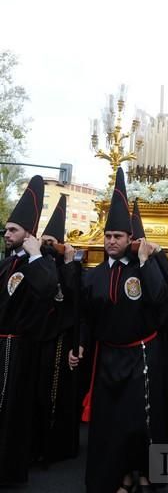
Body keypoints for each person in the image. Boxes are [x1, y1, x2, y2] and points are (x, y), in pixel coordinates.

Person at [69, 168, 168, 493]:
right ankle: (113, 476)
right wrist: (80, 344)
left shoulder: (141, 267)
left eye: (118, 237)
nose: (112, 241)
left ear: (130, 239)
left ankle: (138, 472)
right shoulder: (93, 275)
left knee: (138, 423)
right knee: (109, 423)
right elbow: (85, 316)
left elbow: (159, 299)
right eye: (108, 236)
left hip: (141, 356)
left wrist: (145, 261)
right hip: (107, 357)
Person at [0, 175, 58, 485]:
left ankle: (9, 470)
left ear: (29, 234)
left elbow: (49, 287)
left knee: (12, 412)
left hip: (20, 349)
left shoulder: (39, 264)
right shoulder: (5, 264)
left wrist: (36, 254)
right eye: (6, 229)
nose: (7, 234)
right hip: (2, 345)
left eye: (13, 230)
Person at [31, 193, 81, 465]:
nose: (48, 246)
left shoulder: (69, 266)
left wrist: (70, 263)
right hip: (37, 335)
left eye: (53, 243)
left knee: (54, 395)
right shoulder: (37, 262)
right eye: (45, 242)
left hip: (60, 338)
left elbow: (73, 297)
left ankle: (53, 445)